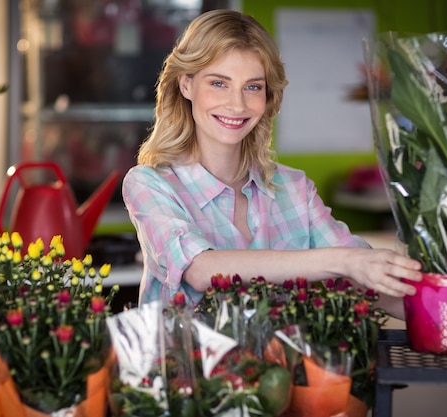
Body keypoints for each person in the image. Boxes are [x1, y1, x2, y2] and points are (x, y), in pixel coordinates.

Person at [121, 9, 422, 318]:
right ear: (186, 85)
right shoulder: (150, 183)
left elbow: (363, 279)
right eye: (218, 83)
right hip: (184, 366)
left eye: (253, 87)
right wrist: (344, 261)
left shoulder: (294, 190)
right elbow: (201, 270)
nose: (237, 105)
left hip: (282, 366)